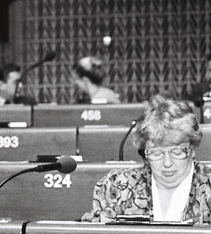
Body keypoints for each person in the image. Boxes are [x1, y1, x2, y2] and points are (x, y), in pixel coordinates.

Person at [81, 95, 211, 223]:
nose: (167, 163)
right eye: (156, 153)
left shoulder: (208, 186)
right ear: (144, 152)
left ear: (192, 149)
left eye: (177, 152)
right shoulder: (117, 186)